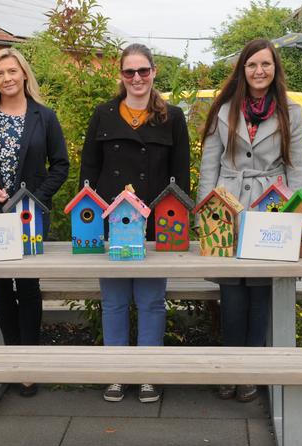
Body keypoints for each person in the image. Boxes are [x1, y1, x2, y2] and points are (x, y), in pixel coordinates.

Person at [197, 39, 302, 403]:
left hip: (270, 207)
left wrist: (297, 217)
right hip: (228, 205)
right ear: (242, 70)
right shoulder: (225, 109)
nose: (259, 71)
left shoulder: (290, 112)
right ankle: (231, 367)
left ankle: (251, 372)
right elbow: (208, 166)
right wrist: (206, 215)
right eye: (252, 65)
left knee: (260, 288)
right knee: (231, 290)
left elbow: (297, 167)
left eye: (266, 64)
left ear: (275, 68)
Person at [0, 48, 69, 397]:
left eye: (12, 71)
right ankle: (12, 357)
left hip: (29, 216)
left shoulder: (44, 117)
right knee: (1, 287)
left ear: (23, 74)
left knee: (28, 286)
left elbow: (60, 165)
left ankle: (28, 362)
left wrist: (36, 197)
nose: (6, 78)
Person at [80, 43, 190, 403]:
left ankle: (148, 373)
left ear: (154, 72)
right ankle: (116, 372)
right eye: (130, 72)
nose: (137, 78)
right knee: (113, 300)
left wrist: (175, 222)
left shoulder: (171, 117)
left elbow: (180, 176)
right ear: (121, 75)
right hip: (115, 219)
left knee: (150, 300)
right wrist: (94, 217)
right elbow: (90, 171)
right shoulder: (103, 114)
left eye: (143, 71)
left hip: (156, 222)